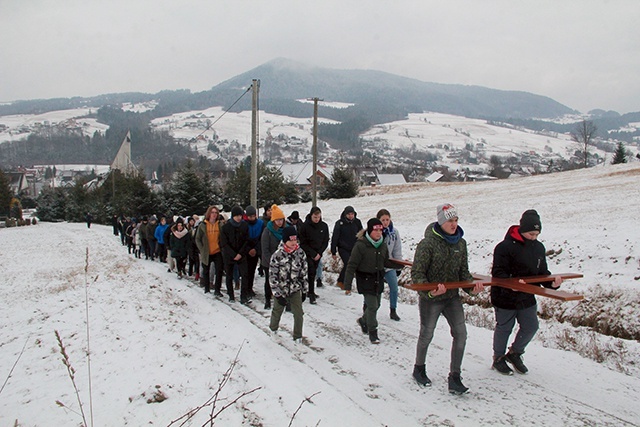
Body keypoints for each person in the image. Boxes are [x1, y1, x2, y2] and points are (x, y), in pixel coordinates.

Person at [411, 203, 484, 395]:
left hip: (452, 297)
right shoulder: (427, 244)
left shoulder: (461, 244)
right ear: (441, 222)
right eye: (450, 220)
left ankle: (455, 376)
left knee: (461, 334)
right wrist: (429, 292)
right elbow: (417, 275)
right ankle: (419, 368)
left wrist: (472, 289)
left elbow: (464, 274)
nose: (454, 224)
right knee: (427, 334)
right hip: (432, 299)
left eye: (456, 220)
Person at [491, 209, 562, 375]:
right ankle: (498, 358)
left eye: (537, 234)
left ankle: (515, 353)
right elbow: (498, 272)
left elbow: (542, 274)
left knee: (531, 326)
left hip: (526, 296)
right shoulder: (504, 247)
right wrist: (512, 282)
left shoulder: (538, 248)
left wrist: (553, 283)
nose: (534, 237)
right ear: (522, 230)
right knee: (505, 327)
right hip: (505, 296)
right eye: (531, 234)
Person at [344, 218, 403, 344]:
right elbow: (352, 265)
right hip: (365, 278)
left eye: (380, 230)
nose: (378, 233)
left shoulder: (382, 244)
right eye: (376, 230)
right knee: (372, 305)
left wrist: (399, 265)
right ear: (370, 230)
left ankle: (364, 320)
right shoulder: (360, 245)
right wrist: (347, 284)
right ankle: (373, 332)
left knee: (377, 305)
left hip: (378, 277)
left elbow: (385, 261)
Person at [269, 226, 308, 342]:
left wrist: (304, 290)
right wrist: (277, 293)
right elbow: (272, 275)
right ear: (285, 240)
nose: (293, 242)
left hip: (295, 289)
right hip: (281, 289)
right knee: (277, 310)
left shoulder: (300, 254)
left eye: (295, 240)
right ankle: (273, 329)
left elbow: (304, 273)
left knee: (299, 314)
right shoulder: (277, 255)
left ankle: (298, 337)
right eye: (290, 240)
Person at [299, 206, 330, 305]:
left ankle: (309, 290)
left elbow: (326, 240)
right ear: (311, 216)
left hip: (318, 253)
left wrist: (319, 253)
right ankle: (310, 293)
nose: (316, 219)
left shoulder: (324, 226)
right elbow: (302, 242)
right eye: (315, 217)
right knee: (311, 271)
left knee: (313, 271)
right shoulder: (305, 226)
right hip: (308, 253)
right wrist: (312, 253)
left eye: (318, 217)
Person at [377, 209, 403, 321]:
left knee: (394, 287)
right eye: (383, 220)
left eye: (387, 219)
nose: (385, 222)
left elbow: (397, 249)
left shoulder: (394, 233)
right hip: (377, 266)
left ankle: (393, 310)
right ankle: (368, 307)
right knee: (376, 288)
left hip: (389, 265)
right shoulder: (376, 232)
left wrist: (398, 264)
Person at [220, 206, 250, 304]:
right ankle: (231, 295)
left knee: (245, 275)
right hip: (229, 255)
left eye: (240, 215)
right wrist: (233, 254)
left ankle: (243, 296)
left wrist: (240, 253)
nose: (239, 218)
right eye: (237, 216)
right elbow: (224, 243)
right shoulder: (226, 227)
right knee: (229, 275)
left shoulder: (244, 226)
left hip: (242, 254)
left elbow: (246, 241)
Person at [261, 204, 286, 309]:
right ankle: (267, 300)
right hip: (269, 261)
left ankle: (283, 300)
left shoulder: (285, 230)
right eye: (278, 220)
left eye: (281, 220)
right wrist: (273, 261)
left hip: (283, 261)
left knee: (283, 282)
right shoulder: (267, 231)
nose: (280, 222)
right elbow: (265, 249)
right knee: (269, 281)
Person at [331, 205, 363, 289]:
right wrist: (333, 251)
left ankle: (345, 282)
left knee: (352, 265)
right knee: (348, 263)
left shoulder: (357, 222)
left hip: (354, 247)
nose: (351, 216)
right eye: (349, 214)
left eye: (352, 214)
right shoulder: (340, 223)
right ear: (345, 214)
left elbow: (361, 234)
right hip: (343, 248)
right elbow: (335, 237)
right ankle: (342, 282)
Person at [195, 206, 225, 295]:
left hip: (217, 251)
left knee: (219, 271)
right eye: (212, 212)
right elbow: (197, 238)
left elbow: (223, 237)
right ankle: (207, 288)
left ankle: (217, 290)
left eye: (216, 213)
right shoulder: (203, 225)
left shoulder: (220, 225)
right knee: (206, 271)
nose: (214, 215)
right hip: (206, 252)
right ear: (209, 214)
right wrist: (202, 248)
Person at [244, 205, 264, 299]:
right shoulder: (244, 224)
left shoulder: (260, 223)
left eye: (253, 216)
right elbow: (243, 238)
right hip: (247, 250)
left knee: (252, 270)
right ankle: (246, 289)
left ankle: (250, 288)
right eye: (249, 216)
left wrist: (256, 249)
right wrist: (248, 249)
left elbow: (262, 238)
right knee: (246, 271)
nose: (251, 218)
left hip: (256, 249)